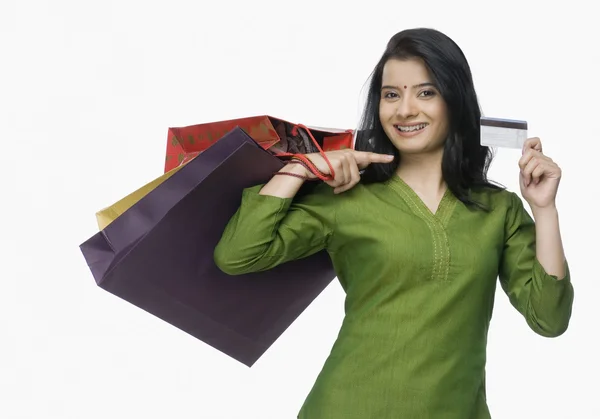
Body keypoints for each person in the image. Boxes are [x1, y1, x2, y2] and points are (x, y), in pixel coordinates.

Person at [213, 27, 574, 419]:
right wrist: (301, 168)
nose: (404, 110)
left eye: (425, 92)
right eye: (391, 95)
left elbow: (549, 319)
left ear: (455, 100)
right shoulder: (347, 196)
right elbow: (237, 255)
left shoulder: (497, 209)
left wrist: (544, 209)